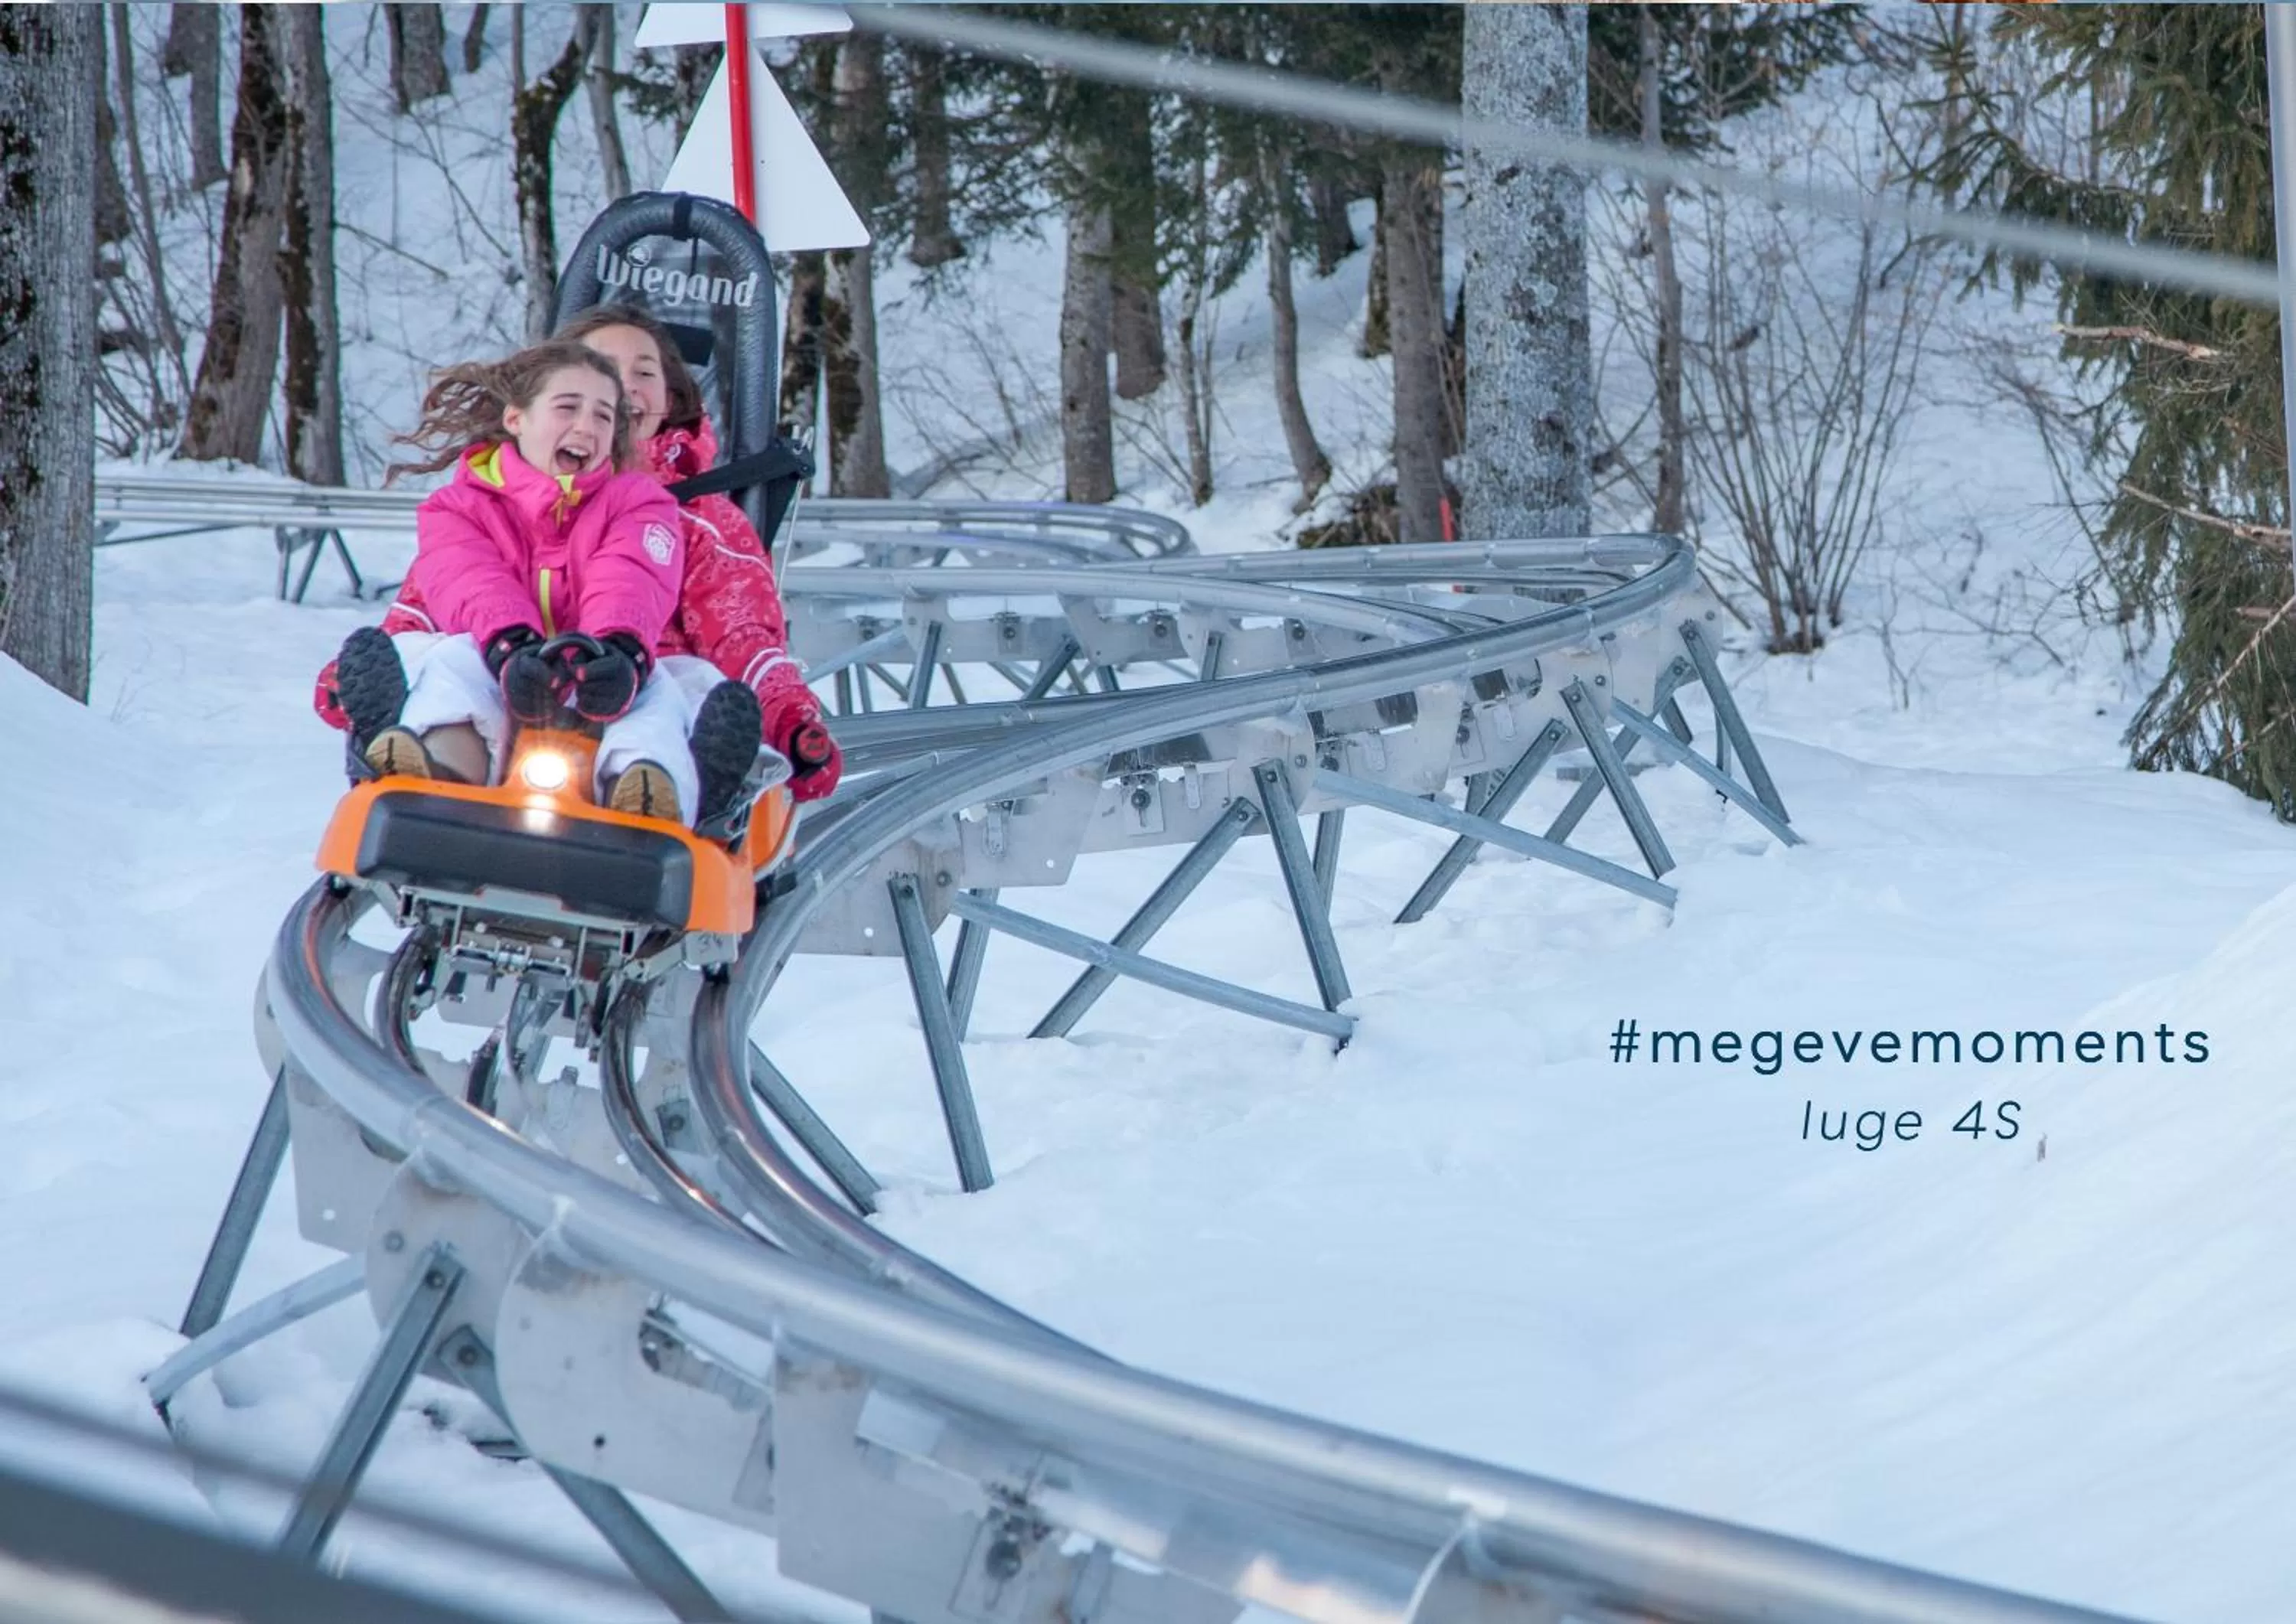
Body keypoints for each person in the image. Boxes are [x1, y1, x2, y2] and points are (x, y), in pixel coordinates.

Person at [315, 338, 762, 829]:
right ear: (516, 418)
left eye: (603, 416)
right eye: (567, 407)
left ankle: (651, 787)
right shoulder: (457, 507)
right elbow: (470, 579)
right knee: (448, 662)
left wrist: (620, 650)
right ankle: (432, 762)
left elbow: (631, 573)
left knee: (664, 693)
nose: (585, 426)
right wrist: (510, 646)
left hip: (603, 672)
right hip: (501, 662)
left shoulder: (639, 501)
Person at [551, 303, 843, 804]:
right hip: (531, 684)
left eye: (645, 372)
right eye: (602, 369)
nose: (625, 387)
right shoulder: (514, 498)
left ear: (670, 400)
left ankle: (657, 789)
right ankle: (419, 751)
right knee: (456, 661)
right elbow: (443, 596)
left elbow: (741, 634)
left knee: (685, 687)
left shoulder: (700, 518)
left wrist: (790, 718)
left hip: (648, 690)